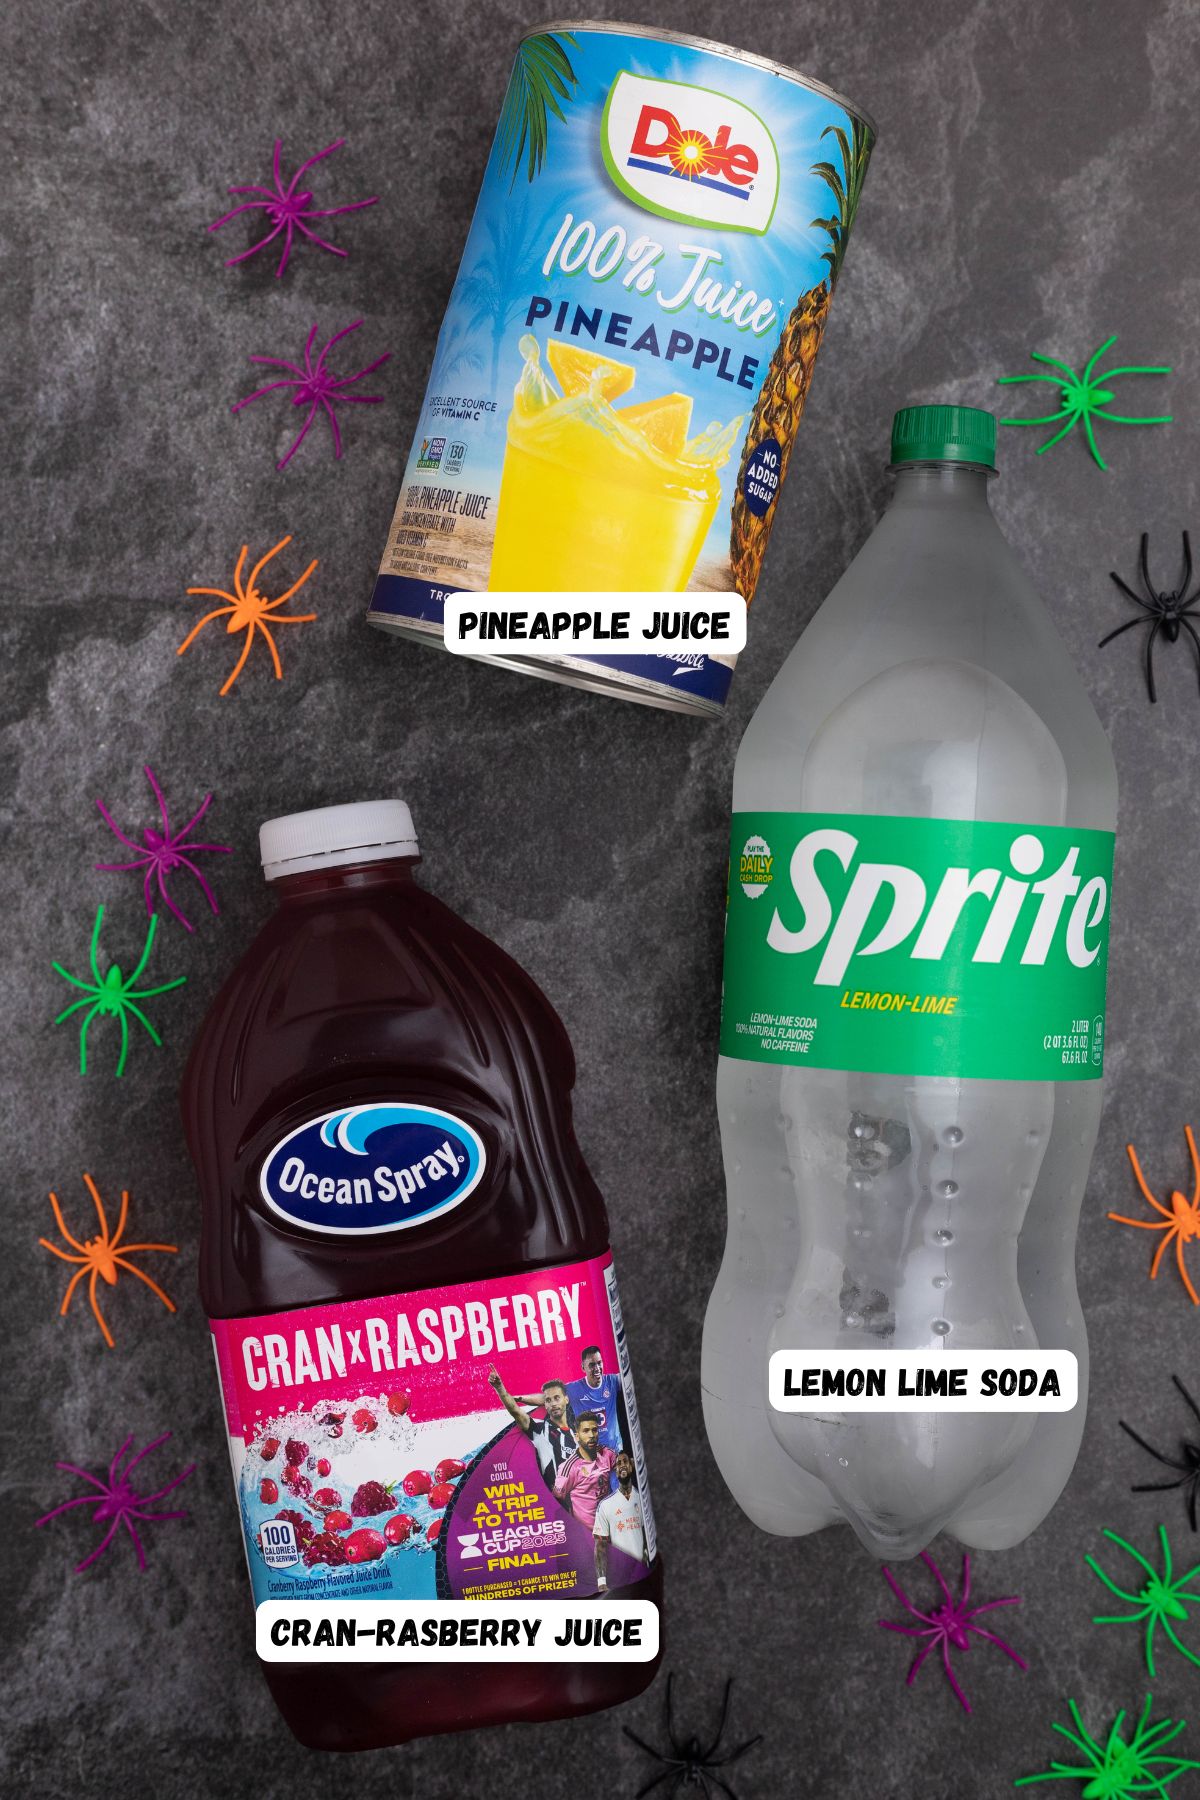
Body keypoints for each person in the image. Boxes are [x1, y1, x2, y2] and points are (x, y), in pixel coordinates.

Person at [487, 1366, 578, 1485]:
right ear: (544, 1404)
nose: (553, 1404)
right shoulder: (539, 1431)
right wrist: (499, 1387)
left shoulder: (580, 1432)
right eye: (548, 1400)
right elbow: (516, 1411)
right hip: (556, 1500)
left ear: (566, 1399)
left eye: (557, 1398)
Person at [593, 1451, 648, 1590]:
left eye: (625, 1462)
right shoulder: (605, 1505)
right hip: (620, 1578)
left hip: (643, 1575)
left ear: (632, 1466)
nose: (622, 1465)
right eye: (618, 1463)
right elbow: (600, 1545)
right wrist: (601, 1582)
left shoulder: (643, 1499)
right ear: (615, 1470)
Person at [553, 1412, 616, 1532]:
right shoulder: (569, 1468)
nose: (591, 1435)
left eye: (594, 1430)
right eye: (586, 1431)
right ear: (577, 1436)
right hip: (588, 1535)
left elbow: (625, 1467)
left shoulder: (607, 1454)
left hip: (611, 1527)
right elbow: (555, 1500)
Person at [565, 1344, 626, 1460]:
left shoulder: (612, 1381)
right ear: (583, 1367)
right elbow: (548, 1396)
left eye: (599, 1363)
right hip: (591, 1459)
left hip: (615, 1454)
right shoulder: (574, 1389)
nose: (597, 1368)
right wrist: (520, 1399)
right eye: (592, 1365)